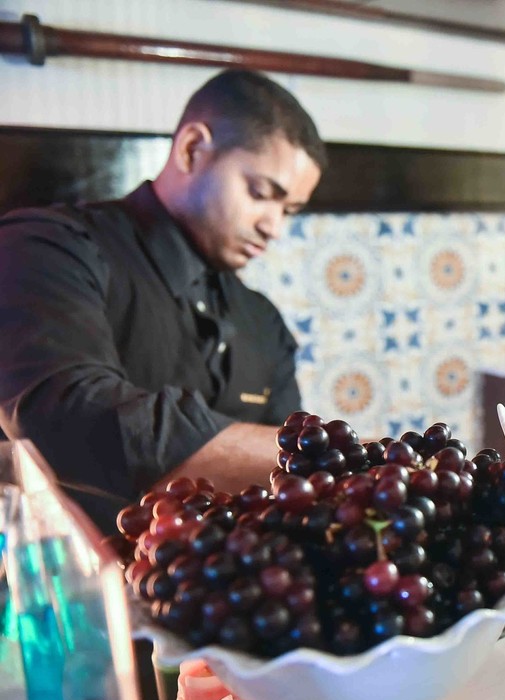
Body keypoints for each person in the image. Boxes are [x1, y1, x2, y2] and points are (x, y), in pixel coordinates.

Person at [0, 69, 325, 536]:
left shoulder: (263, 323)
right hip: (59, 590)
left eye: (288, 210)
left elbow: (283, 483)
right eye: (260, 193)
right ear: (193, 147)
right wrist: (340, 457)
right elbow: (64, 415)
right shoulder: (47, 247)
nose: (273, 226)